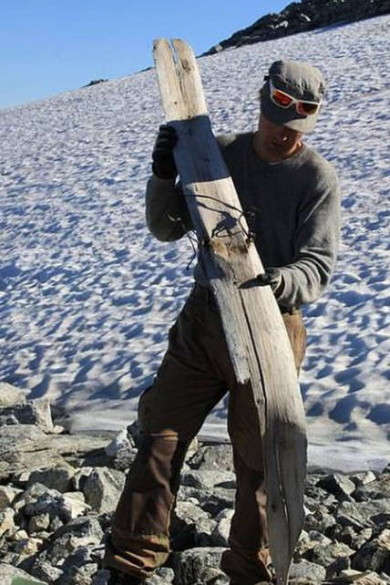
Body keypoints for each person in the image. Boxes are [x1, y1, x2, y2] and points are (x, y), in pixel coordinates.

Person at [103, 60, 340, 585]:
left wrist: (279, 283)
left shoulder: (315, 178)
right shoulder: (220, 155)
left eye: (298, 128)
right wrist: (165, 175)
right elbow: (167, 229)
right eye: (279, 121)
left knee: (259, 460)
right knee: (159, 435)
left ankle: (248, 572)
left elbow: (317, 266)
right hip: (205, 317)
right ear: (264, 105)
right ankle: (132, 561)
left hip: (272, 328)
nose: (285, 136)